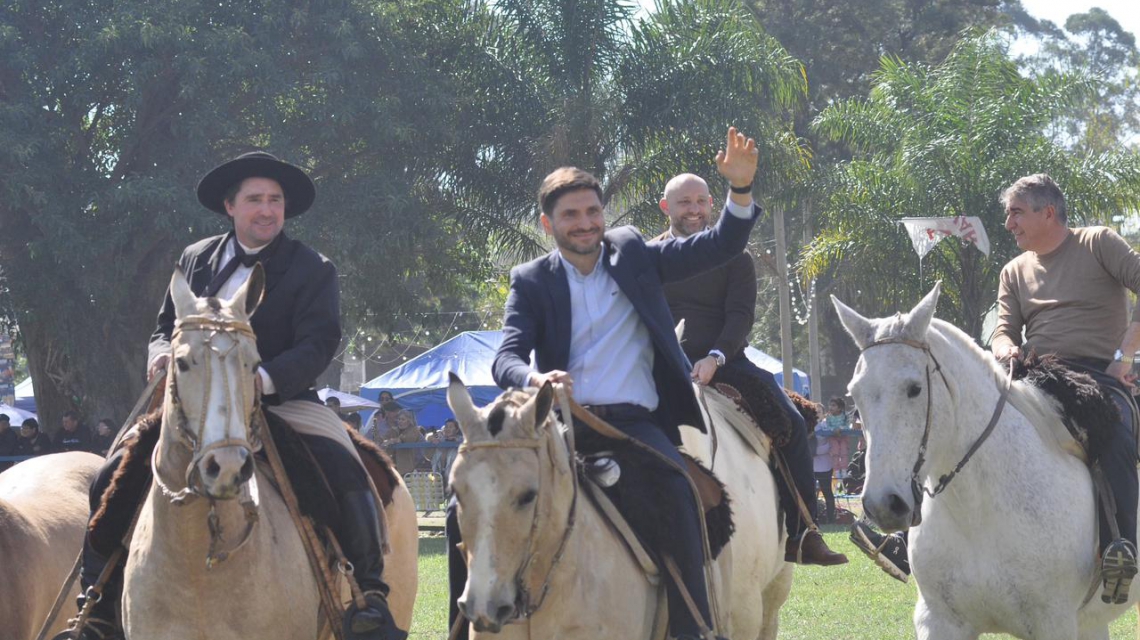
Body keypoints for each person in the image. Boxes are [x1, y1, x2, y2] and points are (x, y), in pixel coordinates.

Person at [55, 152, 401, 640]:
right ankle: (96, 609)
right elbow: (163, 327)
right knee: (113, 471)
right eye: (255, 200)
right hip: (195, 404)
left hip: (282, 400)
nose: (267, 210)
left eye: (275, 201)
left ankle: (368, 598)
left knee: (344, 464)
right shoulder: (196, 258)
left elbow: (319, 342)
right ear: (230, 206)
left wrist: (263, 379)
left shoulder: (312, 268)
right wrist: (159, 355)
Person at [448, 127, 760, 640]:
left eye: (593, 212)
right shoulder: (530, 279)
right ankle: (461, 628)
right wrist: (535, 376)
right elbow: (505, 356)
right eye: (570, 215)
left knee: (680, 492)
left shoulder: (635, 252)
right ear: (548, 223)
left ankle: (694, 628)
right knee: (475, 491)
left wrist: (740, 190)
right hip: (559, 426)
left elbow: (721, 244)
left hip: (636, 426)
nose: (585, 223)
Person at [656, 171, 847, 565]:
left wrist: (715, 357)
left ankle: (802, 532)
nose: (694, 210)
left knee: (792, 422)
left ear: (711, 205)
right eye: (684, 203)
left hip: (726, 363)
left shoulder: (735, 254)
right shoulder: (647, 255)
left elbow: (740, 315)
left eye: (700, 202)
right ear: (665, 207)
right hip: (662, 364)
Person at [383, 409, 424, 475]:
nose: (400, 421)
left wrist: (395, 440)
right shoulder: (394, 430)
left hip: (408, 468)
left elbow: (408, 439)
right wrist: (387, 441)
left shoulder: (414, 430)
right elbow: (384, 440)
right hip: (393, 467)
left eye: (403, 419)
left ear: (409, 421)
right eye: (399, 419)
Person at [429, 418, 462, 485]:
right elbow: (428, 437)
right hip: (438, 478)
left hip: (455, 479)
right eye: (446, 426)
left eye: (450, 427)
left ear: (457, 430)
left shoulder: (461, 441)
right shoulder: (441, 439)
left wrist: (456, 441)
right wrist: (432, 439)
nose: (448, 429)